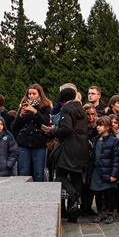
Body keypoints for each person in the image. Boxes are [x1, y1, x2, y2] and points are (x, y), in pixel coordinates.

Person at [46, 87, 89, 222]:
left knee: (61, 175)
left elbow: (67, 128)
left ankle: (74, 195)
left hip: (69, 147)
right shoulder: (80, 109)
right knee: (76, 177)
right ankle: (73, 215)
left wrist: (53, 132)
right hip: (82, 147)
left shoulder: (66, 109)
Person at [13, 84, 52, 182]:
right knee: (23, 173)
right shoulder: (23, 105)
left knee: (38, 173)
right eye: (29, 93)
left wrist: (35, 112)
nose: (31, 96)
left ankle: (39, 195)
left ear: (39, 94)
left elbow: (46, 123)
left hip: (39, 144)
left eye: (34, 93)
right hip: (24, 144)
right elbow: (15, 127)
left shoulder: (46, 107)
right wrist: (20, 116)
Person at [90, 116, 119, 224]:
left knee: (109, 194)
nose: (98, 127)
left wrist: (114, 174)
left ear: (107, 127)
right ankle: (100, 213)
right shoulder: (95, 140)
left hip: (108, 171)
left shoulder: (114, 141)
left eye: (100, 125)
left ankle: (110, 213)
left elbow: (116, 160)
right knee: (98, 194)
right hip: (97, 171)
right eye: (97, 125)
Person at [81, 103, 101, 217]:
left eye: (93, 114)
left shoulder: (97, 126)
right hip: (82, 158)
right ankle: (84, 206)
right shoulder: (81, 126)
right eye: (88, 114)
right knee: (83, 184)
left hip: (93, 159)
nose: (90, 117)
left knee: (91, 184)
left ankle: (87, 207)